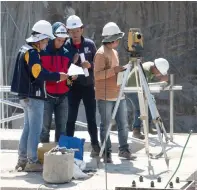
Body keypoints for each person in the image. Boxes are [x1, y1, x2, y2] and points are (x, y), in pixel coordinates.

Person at [10, 20, 69, 172]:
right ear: (41, 39)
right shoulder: (33, 53)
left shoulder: (24, 49)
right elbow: (39, 73)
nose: (47, 43)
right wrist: (58, 76)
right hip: (34, 96)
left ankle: (22, 160)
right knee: (34, 130)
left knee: (27, 129)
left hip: (25, 96)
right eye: (46, 40)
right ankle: (32, 161)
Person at [94, 22, 136, 162]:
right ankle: (106, 152)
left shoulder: (114, 52)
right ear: (111, 39)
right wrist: (114, 71)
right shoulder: (100, 54)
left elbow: (114, 71)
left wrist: (121, 71)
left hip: (118, 94)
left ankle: (124, 150)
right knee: (106, 125)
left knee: (123, 124)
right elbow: (98, 75)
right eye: (117, 38)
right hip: (105, 95)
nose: (118, 41)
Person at [64, 15, 101, 157]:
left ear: (82, 29)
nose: (74, 34)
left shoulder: (90, 45)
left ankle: (95, 146)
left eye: (77, 30)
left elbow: (97, 64)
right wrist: (73, 64)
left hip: (88, 86)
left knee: (91, 117)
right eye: (71, 31)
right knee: (71, 118)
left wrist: (90, 65)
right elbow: (63, 67)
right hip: (72, 87)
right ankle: (68, 148)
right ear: (68, 31)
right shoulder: (66, 46)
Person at [40, 22, 77, 143]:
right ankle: (43, 157)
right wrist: (57, 77)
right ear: (52, 37)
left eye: (63, 40)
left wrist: (72, 79)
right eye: (58, 40)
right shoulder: (43, 52)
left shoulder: (67, 53)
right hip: (47, 96)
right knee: (44, 129)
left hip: (63, 97)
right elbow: (41, 75)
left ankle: (59, 158)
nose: (61, 43)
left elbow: (68, 80)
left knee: (62, 130)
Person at [126, 58, 170, 139]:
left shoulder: (151, 65)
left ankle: (148, 127)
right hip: (132, 89)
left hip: (139, 88)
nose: (159, 74)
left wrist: (160, 80)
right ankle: (136, 130)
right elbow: (147, 85)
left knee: (151, 103)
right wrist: (161, 82)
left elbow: (146, 83)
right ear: (156, 68)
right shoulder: (145, 70)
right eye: (159, 72)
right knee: (140, 108)